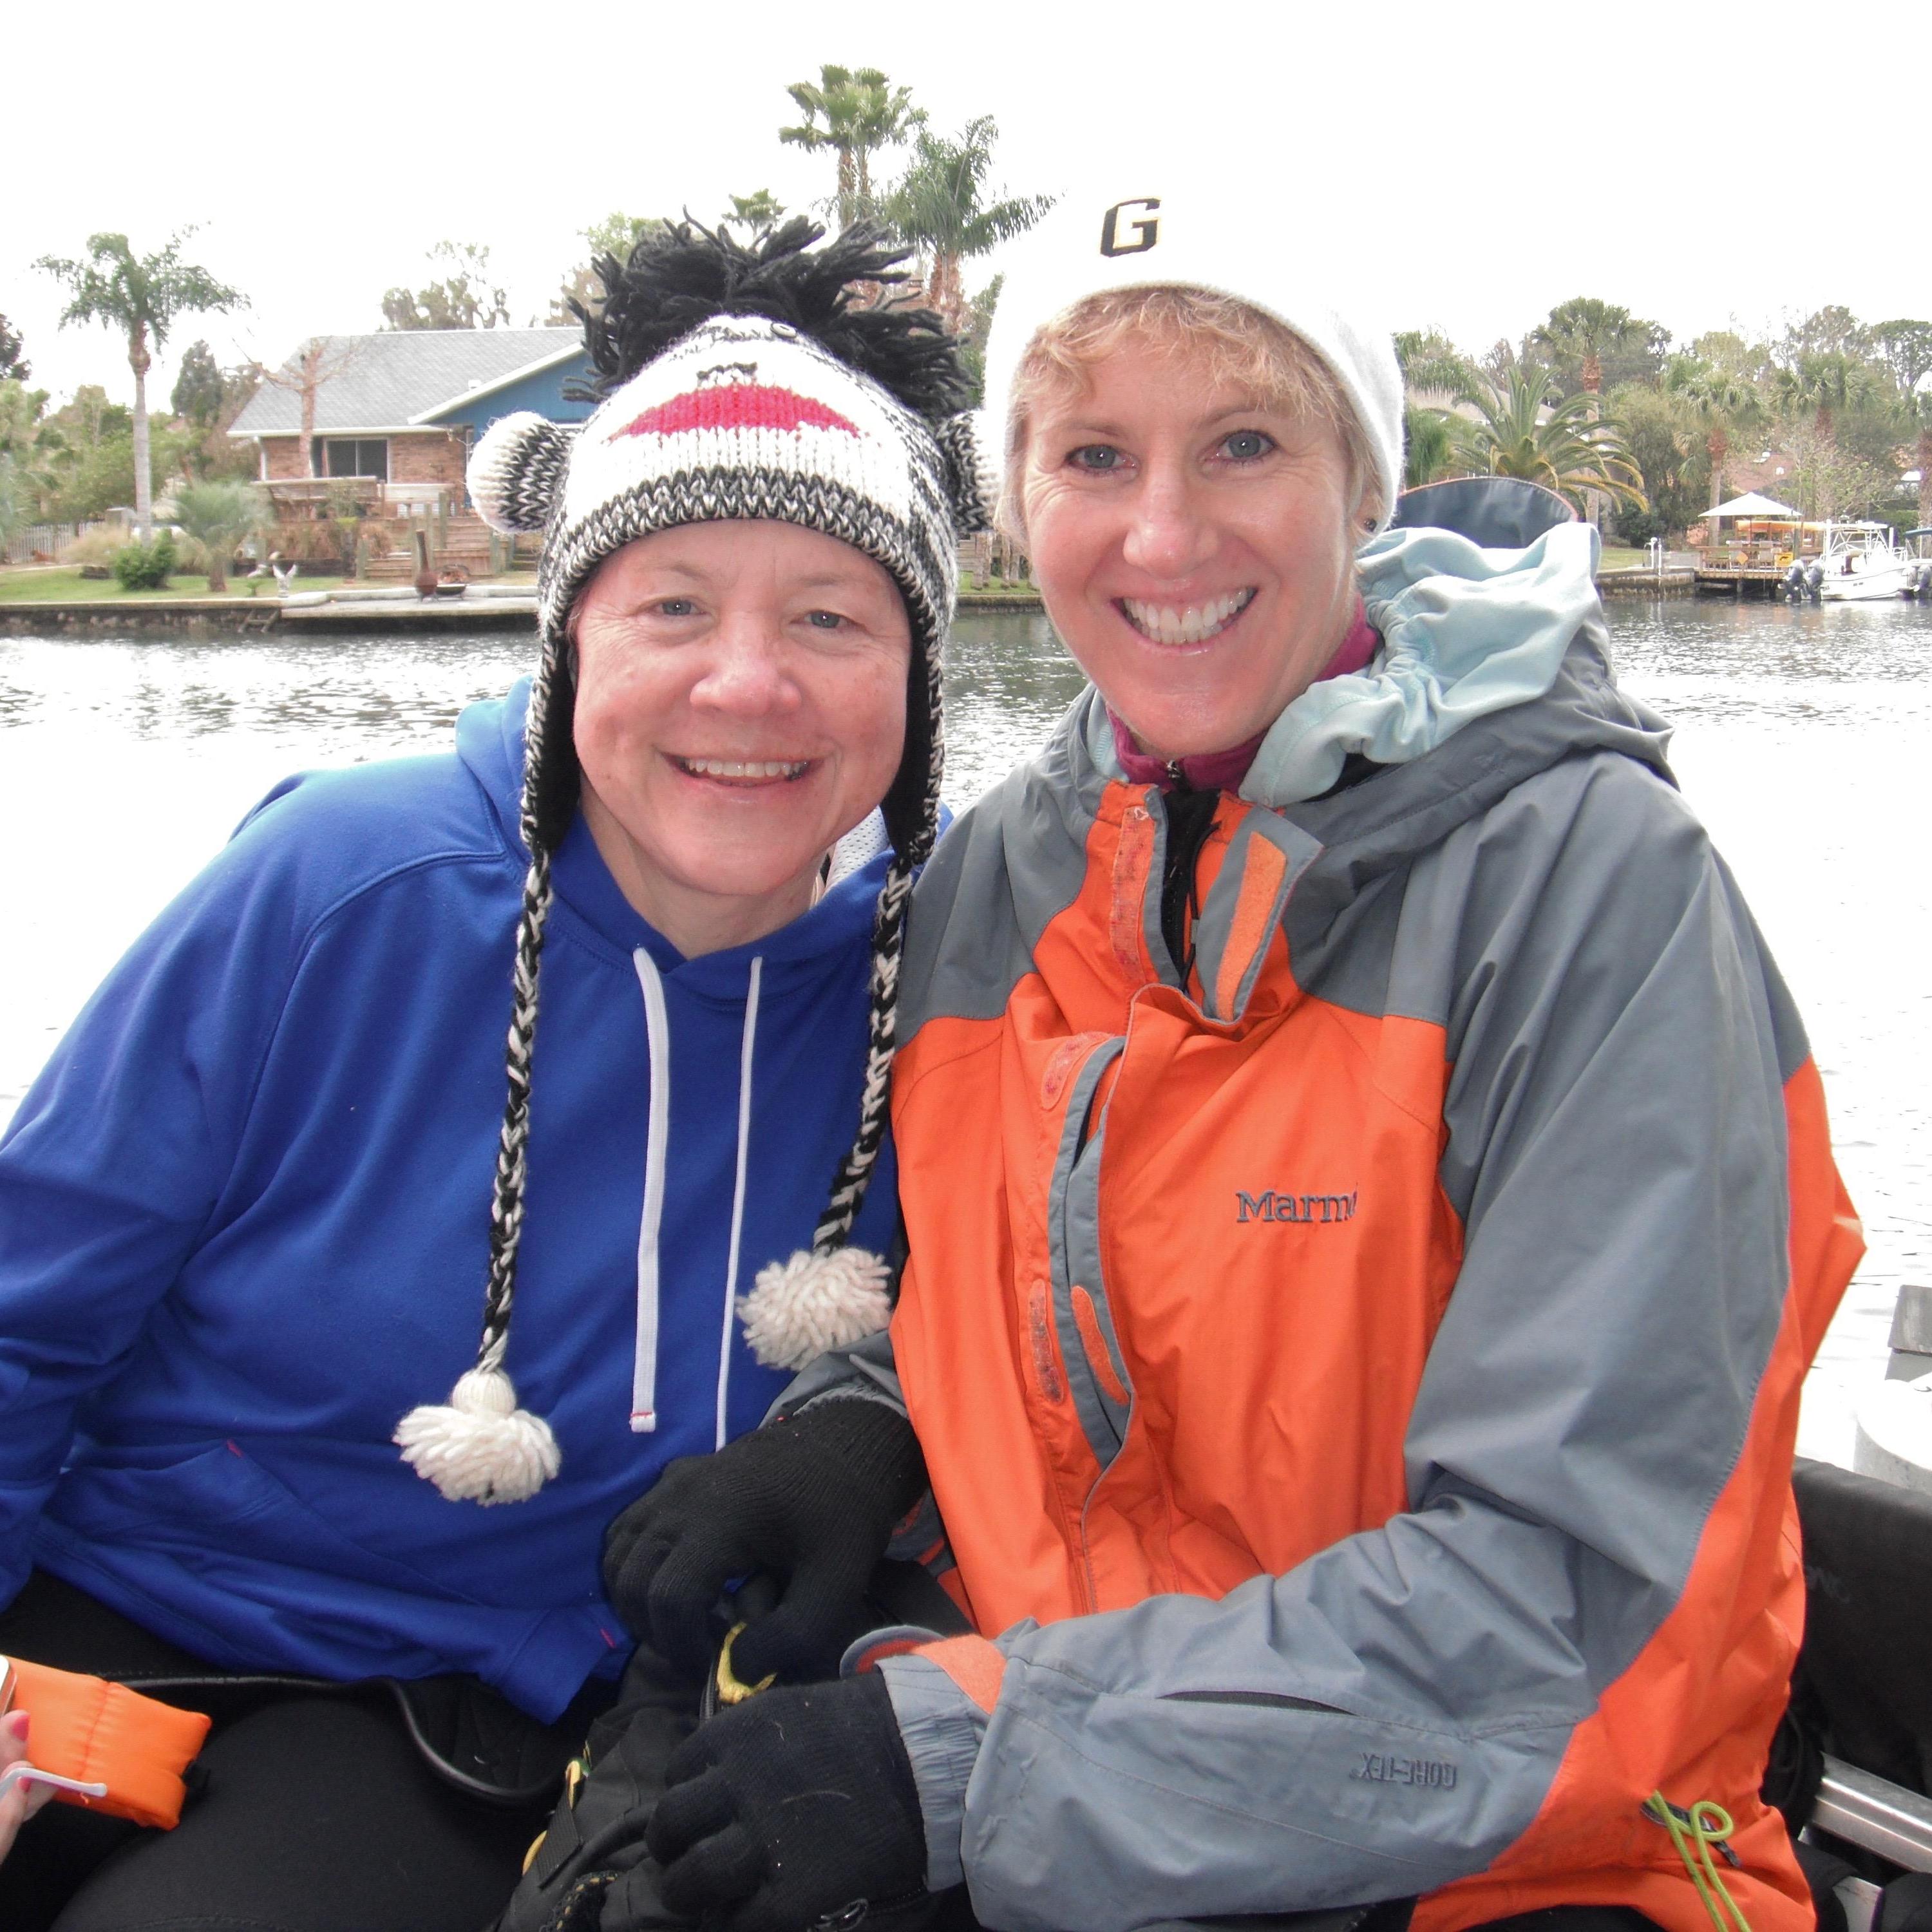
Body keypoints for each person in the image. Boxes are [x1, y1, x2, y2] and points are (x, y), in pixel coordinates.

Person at [600, 185, 1864, 1932]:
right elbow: (991, 1298)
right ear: (1018, 506)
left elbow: (1577, 1609)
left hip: (1509, 1864)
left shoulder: (1603, 901)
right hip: (1051, 1810)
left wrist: (976, 1764)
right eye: (1094, 458)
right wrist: (861, 1428)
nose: (1165, 535)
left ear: (1364, 487)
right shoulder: (995, 875)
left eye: (1246, 443)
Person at [0, 218, 981, 1930]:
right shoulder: (337, 885)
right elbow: (26, 1305)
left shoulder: (980, 954)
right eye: (672, 605)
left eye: (830, 615)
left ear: (921, 671)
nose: (746, 685)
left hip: (564, 1700)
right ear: (569, 642)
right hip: (174, 1629)